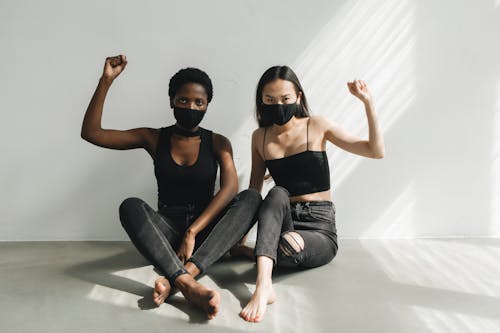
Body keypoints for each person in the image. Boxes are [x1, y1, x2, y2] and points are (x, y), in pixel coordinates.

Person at [81, 54, 262, 319]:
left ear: (208, 105)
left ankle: (179, 276)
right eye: (183, 100)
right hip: (166, 232)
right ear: (171, 102)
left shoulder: (218, 143)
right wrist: (106, 81)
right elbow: (92, 133)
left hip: (207, 230)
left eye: (199, 102)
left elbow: (230, 188)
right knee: (130, 206)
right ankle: (188, 284)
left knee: (251, 198)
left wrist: (192, 231)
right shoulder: (153, 137)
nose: (191, 106)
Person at [239, 65, 385, 322]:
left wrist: (368, 103)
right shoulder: (259, 137)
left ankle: (263, 257)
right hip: (284, 219)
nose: (278, 105)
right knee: (277, 193)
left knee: (288, 246)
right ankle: (264, 286)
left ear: (298, 97)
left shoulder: (317, 126)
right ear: (261, 102)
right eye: (269, 100)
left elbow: (374, 151)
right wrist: (239, 240)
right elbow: (254, 192)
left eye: (285, 99)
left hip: (319, 228)